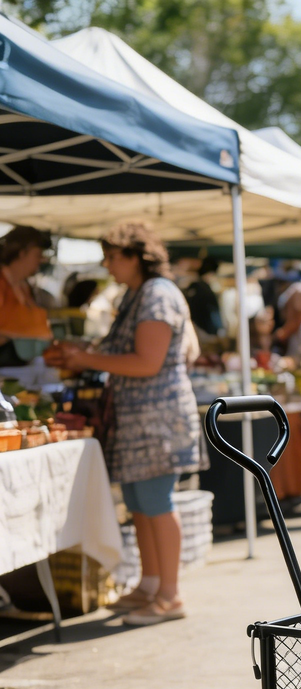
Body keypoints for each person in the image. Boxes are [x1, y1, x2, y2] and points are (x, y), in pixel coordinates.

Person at [44, 221, 204, 625]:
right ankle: (151, 585)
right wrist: (86, 352)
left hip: (156, 420)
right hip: (139, 420)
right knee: (139, 504)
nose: (107, 263)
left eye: (114, 256)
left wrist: (85, 358)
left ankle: (170, 594)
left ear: (137, 256)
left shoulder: (156, 294)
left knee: (154, 503)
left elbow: (148, 362)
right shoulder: (140, 294)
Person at [0, 226, 53, 364]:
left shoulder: (24, 287)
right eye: (38, 254)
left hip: (26, 366)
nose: (41, 260)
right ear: (22, 253)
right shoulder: (2, 284)